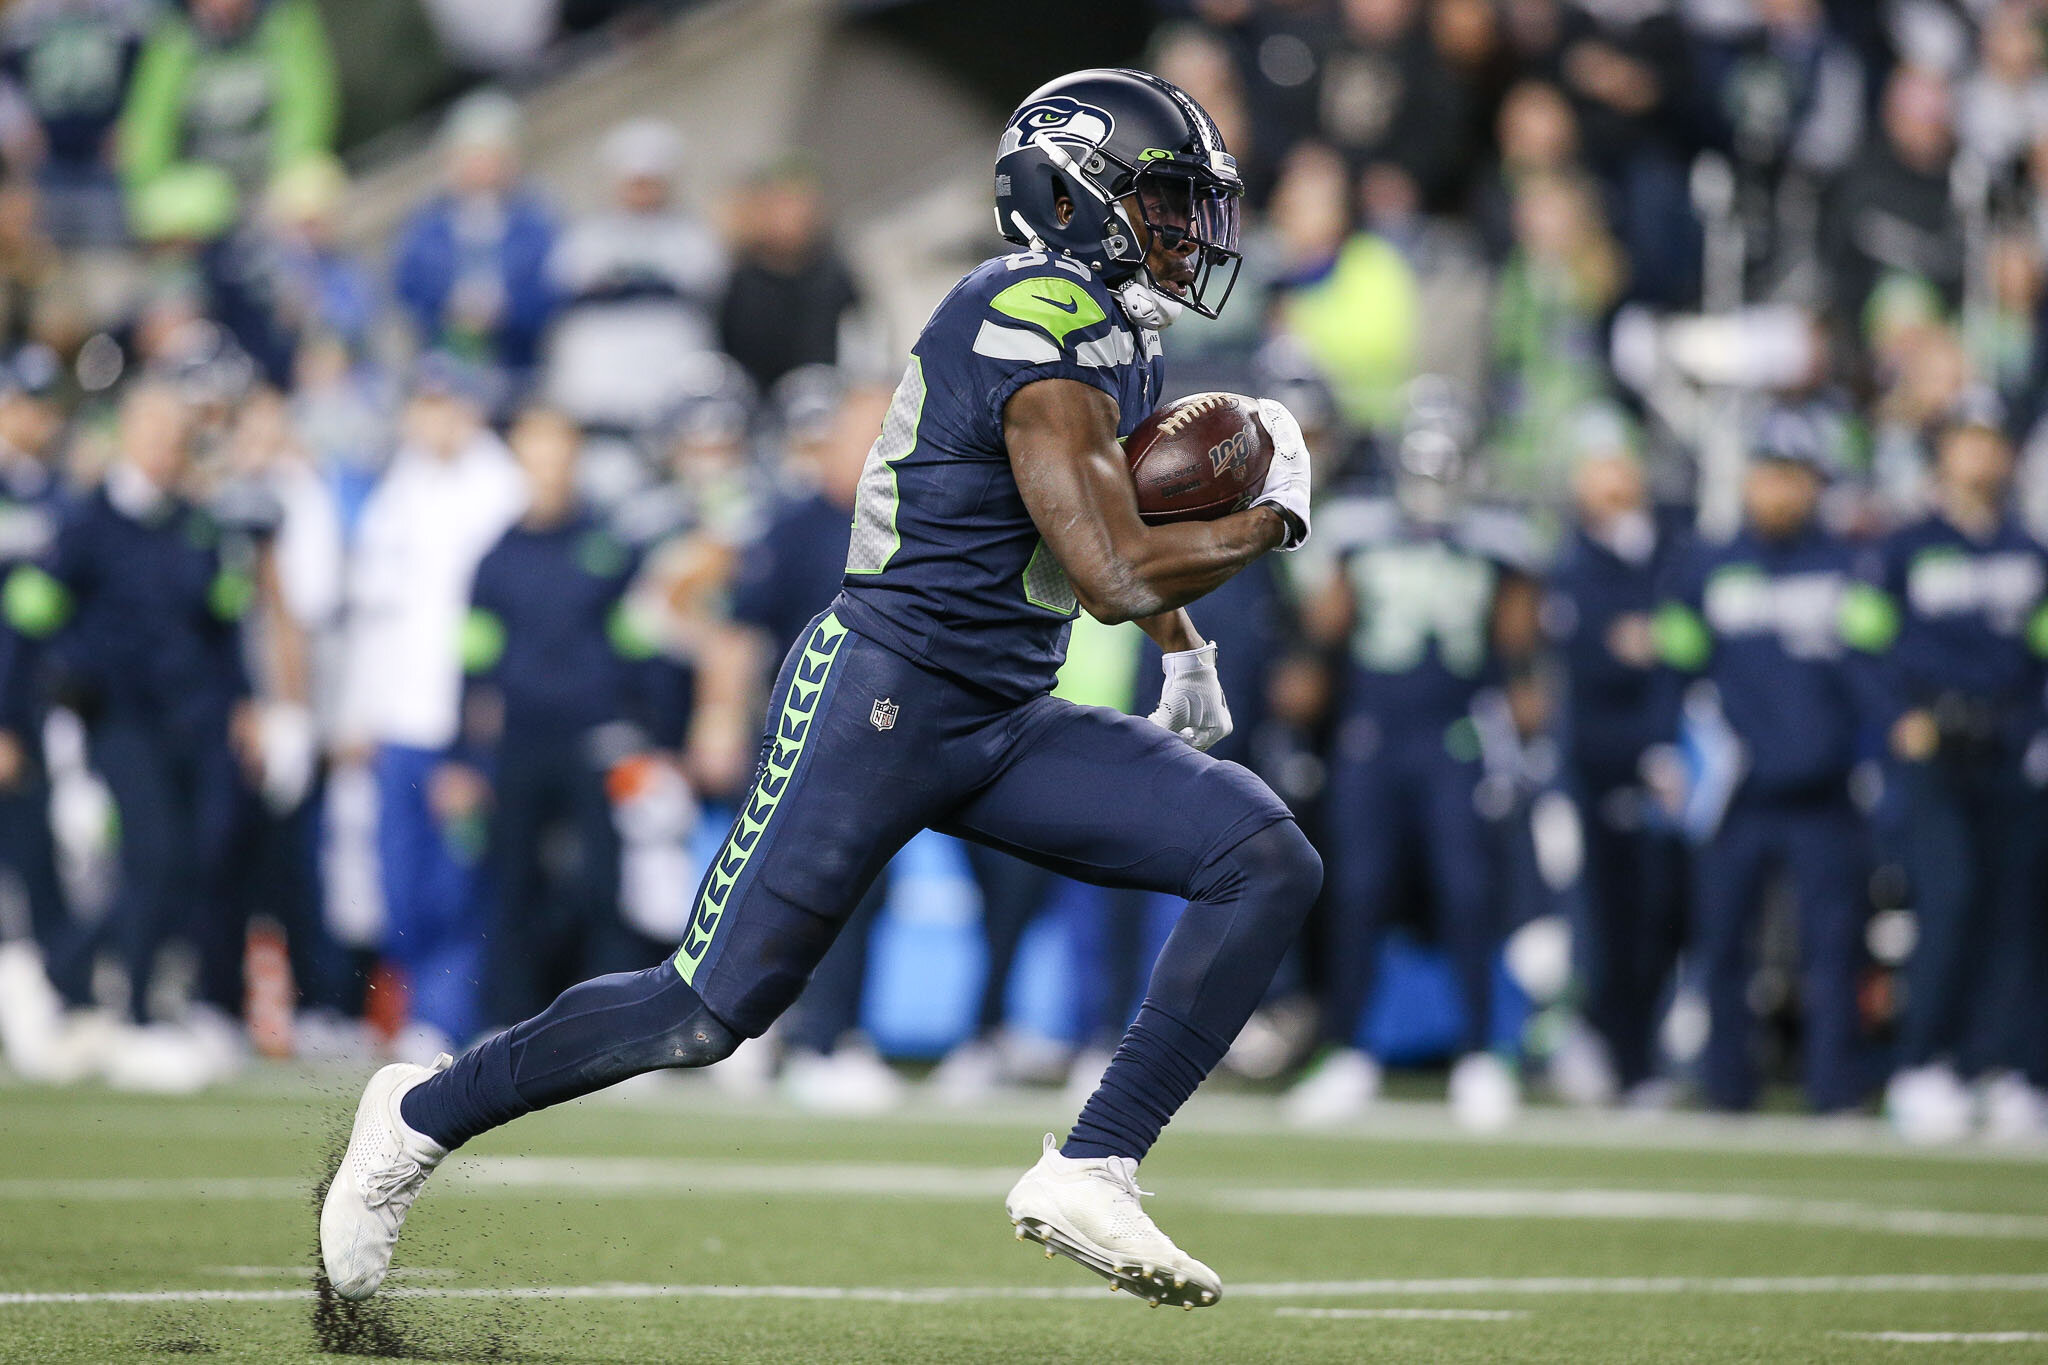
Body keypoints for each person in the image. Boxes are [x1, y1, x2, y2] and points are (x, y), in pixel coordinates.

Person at [323, 68, 1318, 1311]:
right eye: (1166, 201)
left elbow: (1107, 519)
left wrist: (1185, 645)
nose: (1186, 232)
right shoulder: (1027, 312)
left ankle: (1096, 1163)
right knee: (701, 1012)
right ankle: (417, 1116)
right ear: (1079, 197)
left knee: (1262, 854)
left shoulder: (1105, 326)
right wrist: (1271, 522)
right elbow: (1108, 565)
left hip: (1002, 713)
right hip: (882, 695)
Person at [1281, 389, 1539, 1133]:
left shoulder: (1496, 543)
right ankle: (1351, 1051)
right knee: (1358, 891)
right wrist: (1307, 674)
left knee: (1466, 889)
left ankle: (1481, 1054)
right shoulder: (1358, 535)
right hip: (1372, 732)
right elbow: (1323, 629)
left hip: (1454, 734)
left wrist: (1526, 698)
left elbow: (1519, 643)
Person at [4, 380, 260, 1091]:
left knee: (185, 863)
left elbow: (224, 624)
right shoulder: (84, 523)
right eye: (151, 432)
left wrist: (246, 702)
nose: (164, 448)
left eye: (175, 434)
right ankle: (136, 1012)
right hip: (119, 718)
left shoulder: (198, 524)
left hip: (192, 719)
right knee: (153, 854)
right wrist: (10, 719)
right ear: (127, 437)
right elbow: (28, 624)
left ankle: (59, 970)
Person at [1653, 412, 1879, 1114]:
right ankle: (1727, 1089)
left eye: (1793, 476)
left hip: (1824, 787)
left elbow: (1873, 676)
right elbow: (1676, 674)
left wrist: (1870, 762)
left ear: (1816, 484)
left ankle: (1834, 1089)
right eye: (1769, 474)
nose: (1779, 490)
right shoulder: (1707, 564)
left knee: (1833, 946)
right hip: (1735, 790)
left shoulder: (1850, 566)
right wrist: (1672, 756)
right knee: (1722, 944)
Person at [449, 409, 667, 1031]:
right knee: (511, 886)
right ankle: (506, 1027)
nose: (548, 470)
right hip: (521, 741)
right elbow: (473, 668)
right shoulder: (496, 558)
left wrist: (651, 739)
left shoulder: (608, 546)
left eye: (559, 455)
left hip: (597, 742)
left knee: (606, 887)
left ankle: (611, 1029)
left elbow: (636, 647)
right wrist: (463, 759)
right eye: (535, 456)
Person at [1865, 403, 2048, 1144]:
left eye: (1989, 442)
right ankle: (1923, 1060)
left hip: (2009, 747)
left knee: (2017, 914)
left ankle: (2002, 1065)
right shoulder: (1903, 547)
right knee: (1949, 898)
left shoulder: (2028, 551)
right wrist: (1893, 718)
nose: (1979, 457)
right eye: (1966, 442)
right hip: (1935, 744)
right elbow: (1864, 648)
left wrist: (2037, 728)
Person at [335, 355, 526, 1056]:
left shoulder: (501, 490)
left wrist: (479, 735)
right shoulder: (396, 489)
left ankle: (447, 1013)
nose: (435, 417)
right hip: (398, 717)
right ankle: (415, 1000)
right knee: (400, 878)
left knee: (456, 879)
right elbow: (374, 613)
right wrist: (359, 710)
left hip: (459, 719)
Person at [1543, 424, 1687, 1105]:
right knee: (1603, 911)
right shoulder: (1572, 561)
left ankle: (1647, 1046)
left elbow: (1687, 637)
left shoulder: (1673, 550)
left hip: (1681, 757)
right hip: (1598, 758)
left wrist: (1662, 639)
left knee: (1667, 909)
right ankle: (1607, 1041)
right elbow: (1594, 652)